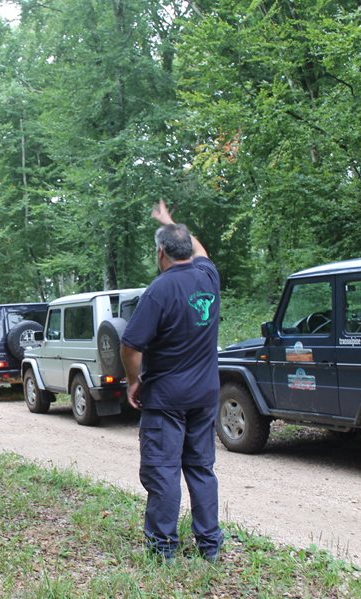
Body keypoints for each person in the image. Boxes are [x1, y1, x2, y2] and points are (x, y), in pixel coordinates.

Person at [120, 200, 224, 563]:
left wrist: (134, 381)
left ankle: (163, 548)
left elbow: (130, 345)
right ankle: (210, 545)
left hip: (166, 399)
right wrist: (171, 223)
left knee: (163, 471)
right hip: (205, 396)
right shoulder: (208, 278)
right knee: (201, 469)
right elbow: (201, 250)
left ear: (160, 252)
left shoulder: (159, 290)